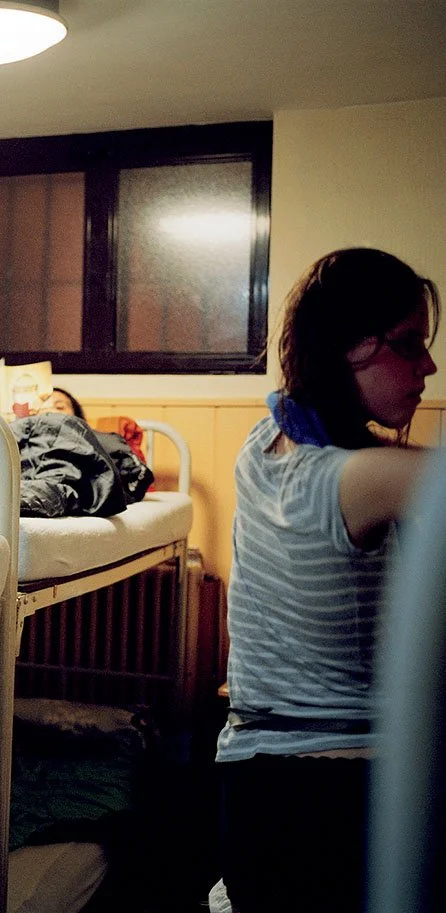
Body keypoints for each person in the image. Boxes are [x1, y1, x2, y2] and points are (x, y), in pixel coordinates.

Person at [215, 247, 439, 913]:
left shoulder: (263, 444)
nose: (427, 367)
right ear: (349, 350)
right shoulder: (349, 479)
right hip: (327, 797)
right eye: (407, 344)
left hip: (251, 787)